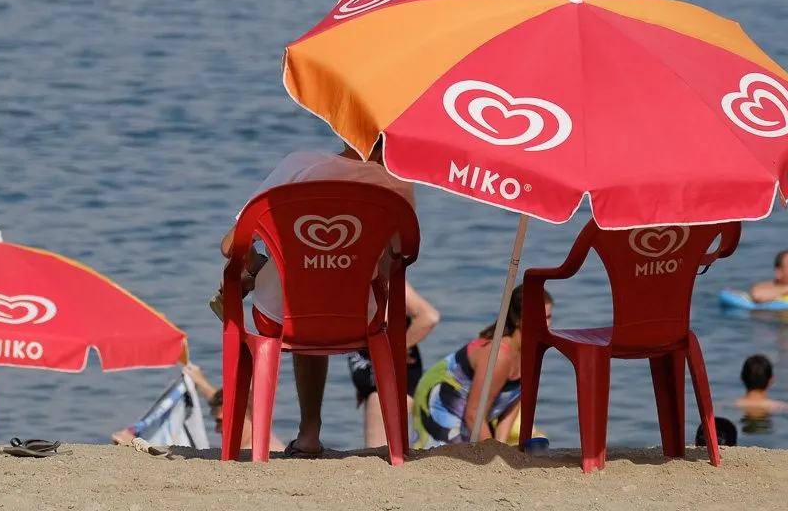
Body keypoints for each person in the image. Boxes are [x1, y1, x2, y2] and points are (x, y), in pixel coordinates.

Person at [218, 144, 417, 457]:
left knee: (302, 293)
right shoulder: (397, 185)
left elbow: (231, 245)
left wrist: (256, 267)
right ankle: (386, 446)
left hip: (281, 315)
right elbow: (399, 256)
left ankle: (309, 432)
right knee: (320, 289)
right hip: (360, 315)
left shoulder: (300, 166)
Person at [412, 285, 554, 448]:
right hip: (441, 403)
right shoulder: (499, 356)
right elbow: (474, 414)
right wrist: (494, 453)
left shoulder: (531, 354)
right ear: (517, 319)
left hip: (473, 413)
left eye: (548, 317)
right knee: (462, 453)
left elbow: (511, 405)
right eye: (537, 318)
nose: (545, 324)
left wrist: (501, 449)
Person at [347, 283, 440, 449]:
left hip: (390, 378)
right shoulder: (358, 278)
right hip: (377, 377)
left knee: (379, 453)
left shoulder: (386, 278)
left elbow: (428, 317)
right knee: (382, 450)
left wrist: (396, 350)